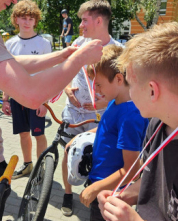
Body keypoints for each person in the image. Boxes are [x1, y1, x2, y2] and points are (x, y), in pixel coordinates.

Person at [0, 0, 103, 220]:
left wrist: (62, 56)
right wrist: (80, 58)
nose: (15, 1)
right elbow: (31, 95)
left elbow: (7, 63)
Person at [97, 21, 178, 221]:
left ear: (152, 90)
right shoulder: (157, 123)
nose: (130, 93)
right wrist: (123, 195)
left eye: (131, 84)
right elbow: (153, 179)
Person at [66, 44, 149, 221]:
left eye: (99, 85)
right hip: (100, 182)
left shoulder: (130, 116)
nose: (95, 90)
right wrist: (79, 137)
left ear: (119, 79)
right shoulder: (116, 102)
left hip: (110, 193)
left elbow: (132, 168)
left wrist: (95, 189)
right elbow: (106, 129)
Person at [61, 0, 123, 216]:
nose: (81, 25)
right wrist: (68, 89)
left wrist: (104, 102)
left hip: (99, 119)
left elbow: (126, 90)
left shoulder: (119, 51)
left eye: (85, 20)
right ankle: (68, 195)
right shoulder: (78, 43)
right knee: (68, 152)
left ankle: (93, 193)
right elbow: (64, 72)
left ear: (98, 21)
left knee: (94, 158)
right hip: (73, 114)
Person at [2, 0, 52, 179]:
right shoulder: (10, 44)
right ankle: (28, 165)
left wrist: (45, 102)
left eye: (31, 18)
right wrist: (5, 99)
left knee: (39, 134)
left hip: (37, 97)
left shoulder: (44, 43)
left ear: (35, 21)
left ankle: (40, 168)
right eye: (23, 18)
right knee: (23, 134)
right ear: (16, 20)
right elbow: (7, 75)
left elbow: (48, 75)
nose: (26, 22)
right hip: (16, 97)